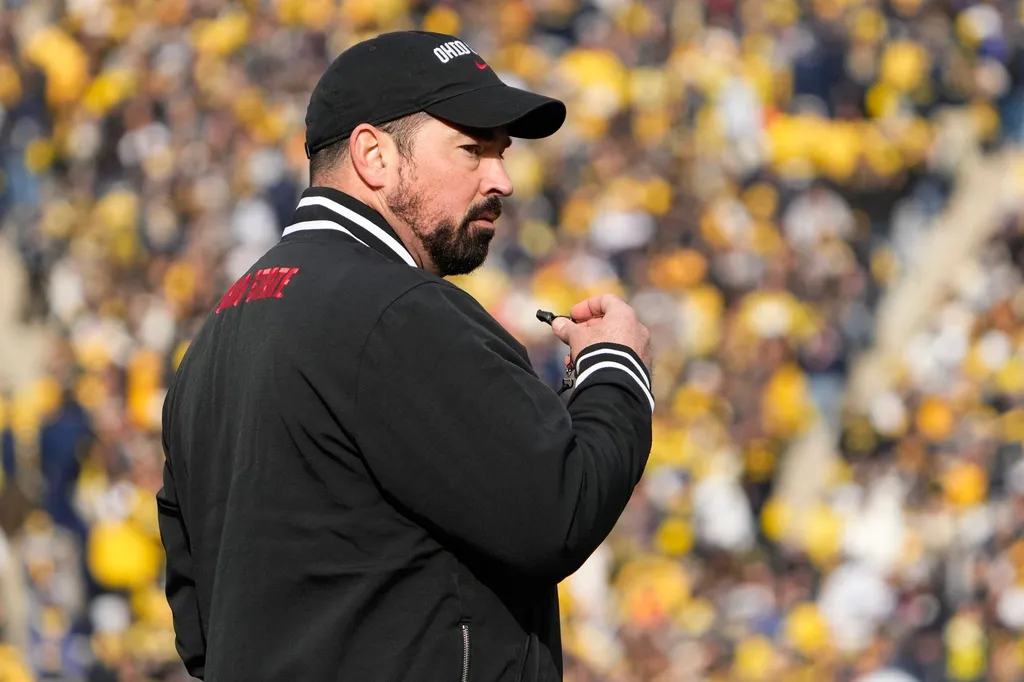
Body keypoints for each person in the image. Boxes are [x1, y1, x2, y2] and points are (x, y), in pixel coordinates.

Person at [157, 30, 654, 682]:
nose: (501, 179)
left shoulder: (216, 338)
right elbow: (555, 509)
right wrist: (615, 370)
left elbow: (198, 628)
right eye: (472, 150)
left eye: (501, 154)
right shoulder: (396, 309)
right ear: (374, 156)